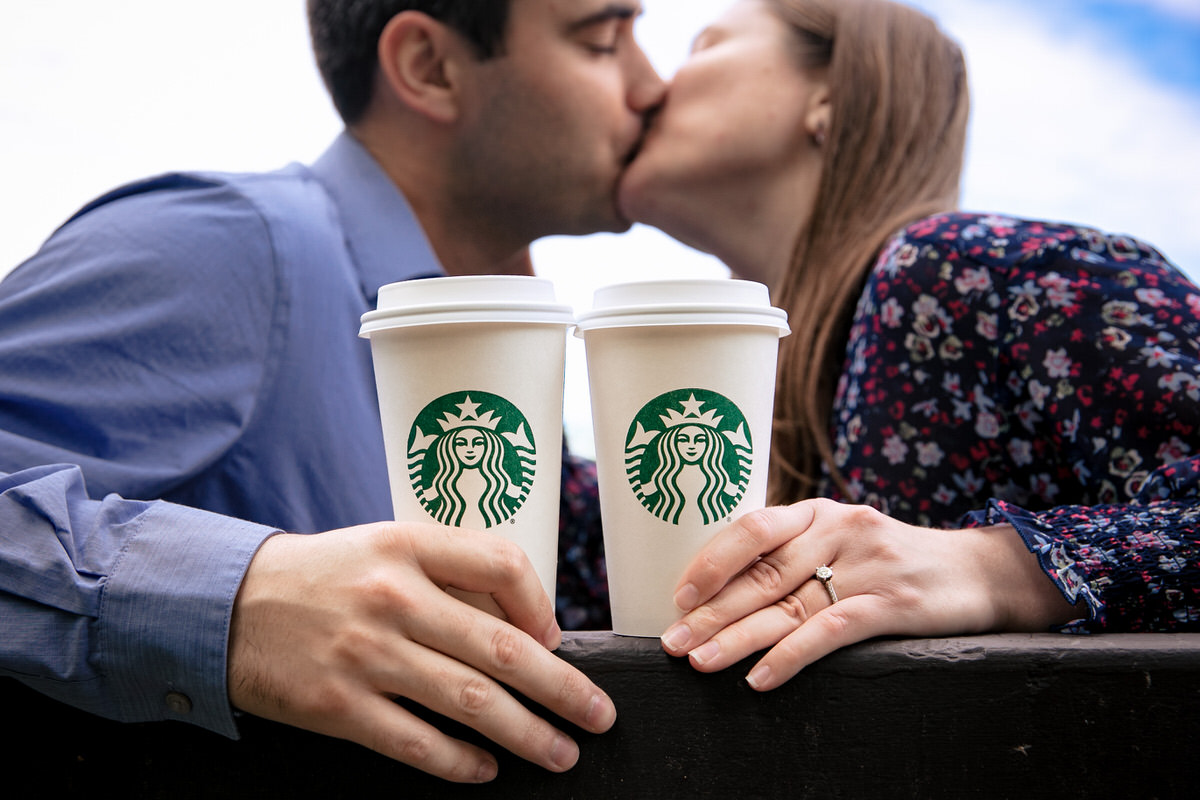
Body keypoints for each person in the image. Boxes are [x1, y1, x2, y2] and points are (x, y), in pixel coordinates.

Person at [0, 0, 664, 783]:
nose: (652, 83)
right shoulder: (232, 248)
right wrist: (237, 599)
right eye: (602, 40)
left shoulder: (492, 351)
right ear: (429, 66)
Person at [617, 0, 1200, 690]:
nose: (650, 88)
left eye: (703, 44)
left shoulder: (981, 270)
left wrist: (990, 568)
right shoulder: (772, 392)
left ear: (828, 97)